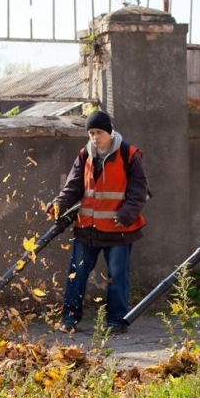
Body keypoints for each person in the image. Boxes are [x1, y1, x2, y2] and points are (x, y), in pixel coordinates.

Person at [48, 110, 149, 335]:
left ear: (109, 132)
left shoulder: (129, 154)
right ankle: (69, 319)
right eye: (91, 133)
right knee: (76, 274)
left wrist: (126, 215)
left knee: (117, 276)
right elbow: (73, 186)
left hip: (119, 229)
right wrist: (59, 204)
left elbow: (139, 190)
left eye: (99, 132)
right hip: (87, 228)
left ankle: (116, 322)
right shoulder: (84, 155)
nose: (95, 137)